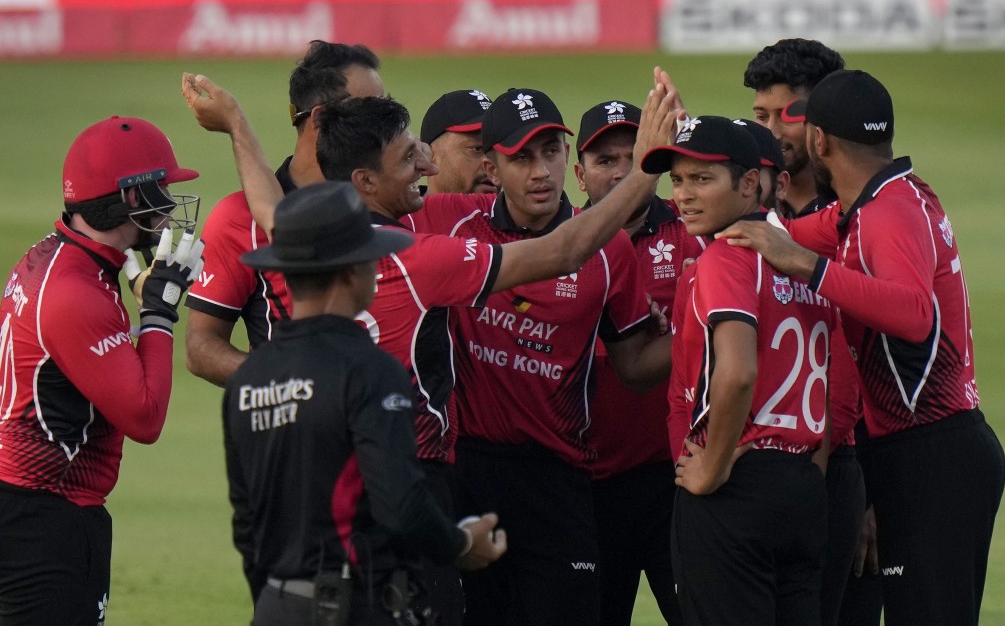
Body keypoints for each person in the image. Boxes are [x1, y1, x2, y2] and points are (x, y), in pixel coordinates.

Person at [184, 73, 681, 625]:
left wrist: (236, 125)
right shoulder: (417, 261)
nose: (425, 166)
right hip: (414, 491)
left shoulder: (296, 268)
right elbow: (564, 252)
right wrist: (646, 169)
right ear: (366, 182)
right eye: (407, 158)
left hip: (297, 567)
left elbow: (270, 210)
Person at [718, 69, 1005, 626]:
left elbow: (913, 315)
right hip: (932, 451)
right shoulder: (879, 201)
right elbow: (779, 236)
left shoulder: (886, 212)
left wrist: (808, 267)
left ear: (819, 140)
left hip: (933, 455)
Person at [405, 87, 675, 626]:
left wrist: (700, 326)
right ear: (492, 168)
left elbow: (634, 367)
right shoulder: (449, 220)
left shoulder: (610, 250)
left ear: (566, 156)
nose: (540, 172)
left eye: (551, 151)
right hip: (468, 473)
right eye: (521, 157)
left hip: (559, 480)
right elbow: (352, 204)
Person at [224, 181, 508, 626]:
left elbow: (246, 523)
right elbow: (400, 503)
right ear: (350, 273)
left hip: (275, 605)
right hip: (354, 606)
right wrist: (461, 544)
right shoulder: (370, 370)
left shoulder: (249, 377)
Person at [182, 40, 388, 605]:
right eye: (370, 108)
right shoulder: (238, 218)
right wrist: (295, 388)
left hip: (399, 451)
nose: (387, 122)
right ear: (320, 121)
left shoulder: (391, 201)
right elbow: (201, 347)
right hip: (303, 473)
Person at [0, 116, 203, 625]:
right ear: (132, 197)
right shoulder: (76, 292)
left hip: (22, 505)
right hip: (46, 516)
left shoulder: (54, 257)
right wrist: (158, 315)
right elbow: (144, 417)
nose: (168, 203)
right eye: (161, 189)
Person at [643, 115, 833, 625]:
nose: (684, 195)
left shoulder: (725, 258)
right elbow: (825, 378)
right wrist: (807, 471)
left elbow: (737, 372)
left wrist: (713, 467)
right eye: (678, 180)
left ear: (750, 183)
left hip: (737, 484)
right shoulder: (802, 259)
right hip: (802, 484)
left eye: (702, 179)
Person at [744, 39, 866, 626]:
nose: (771, 132)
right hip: (755, 465)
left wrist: (870, 496)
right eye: (759, 115)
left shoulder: (863, 212)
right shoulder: (740, 203)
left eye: (786, 115)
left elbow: (880, 356)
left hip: (840, 467)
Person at [573, 99, 701, 626]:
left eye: (634, 156)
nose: (622, 172)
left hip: (680, 480)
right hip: (592, 485)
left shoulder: (694, 233)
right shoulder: (559, 246)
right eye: (606, 160)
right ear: (579, 175)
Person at [744, 38, 845, 216]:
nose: (771, 132)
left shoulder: (855, 204)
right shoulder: (743, 199)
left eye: (787, 117)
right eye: (762, 117)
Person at [421, 89, 498, 194]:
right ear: (429, 155)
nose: (493, 165)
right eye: (477, 149)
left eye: (499, 151)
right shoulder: (400, 204)